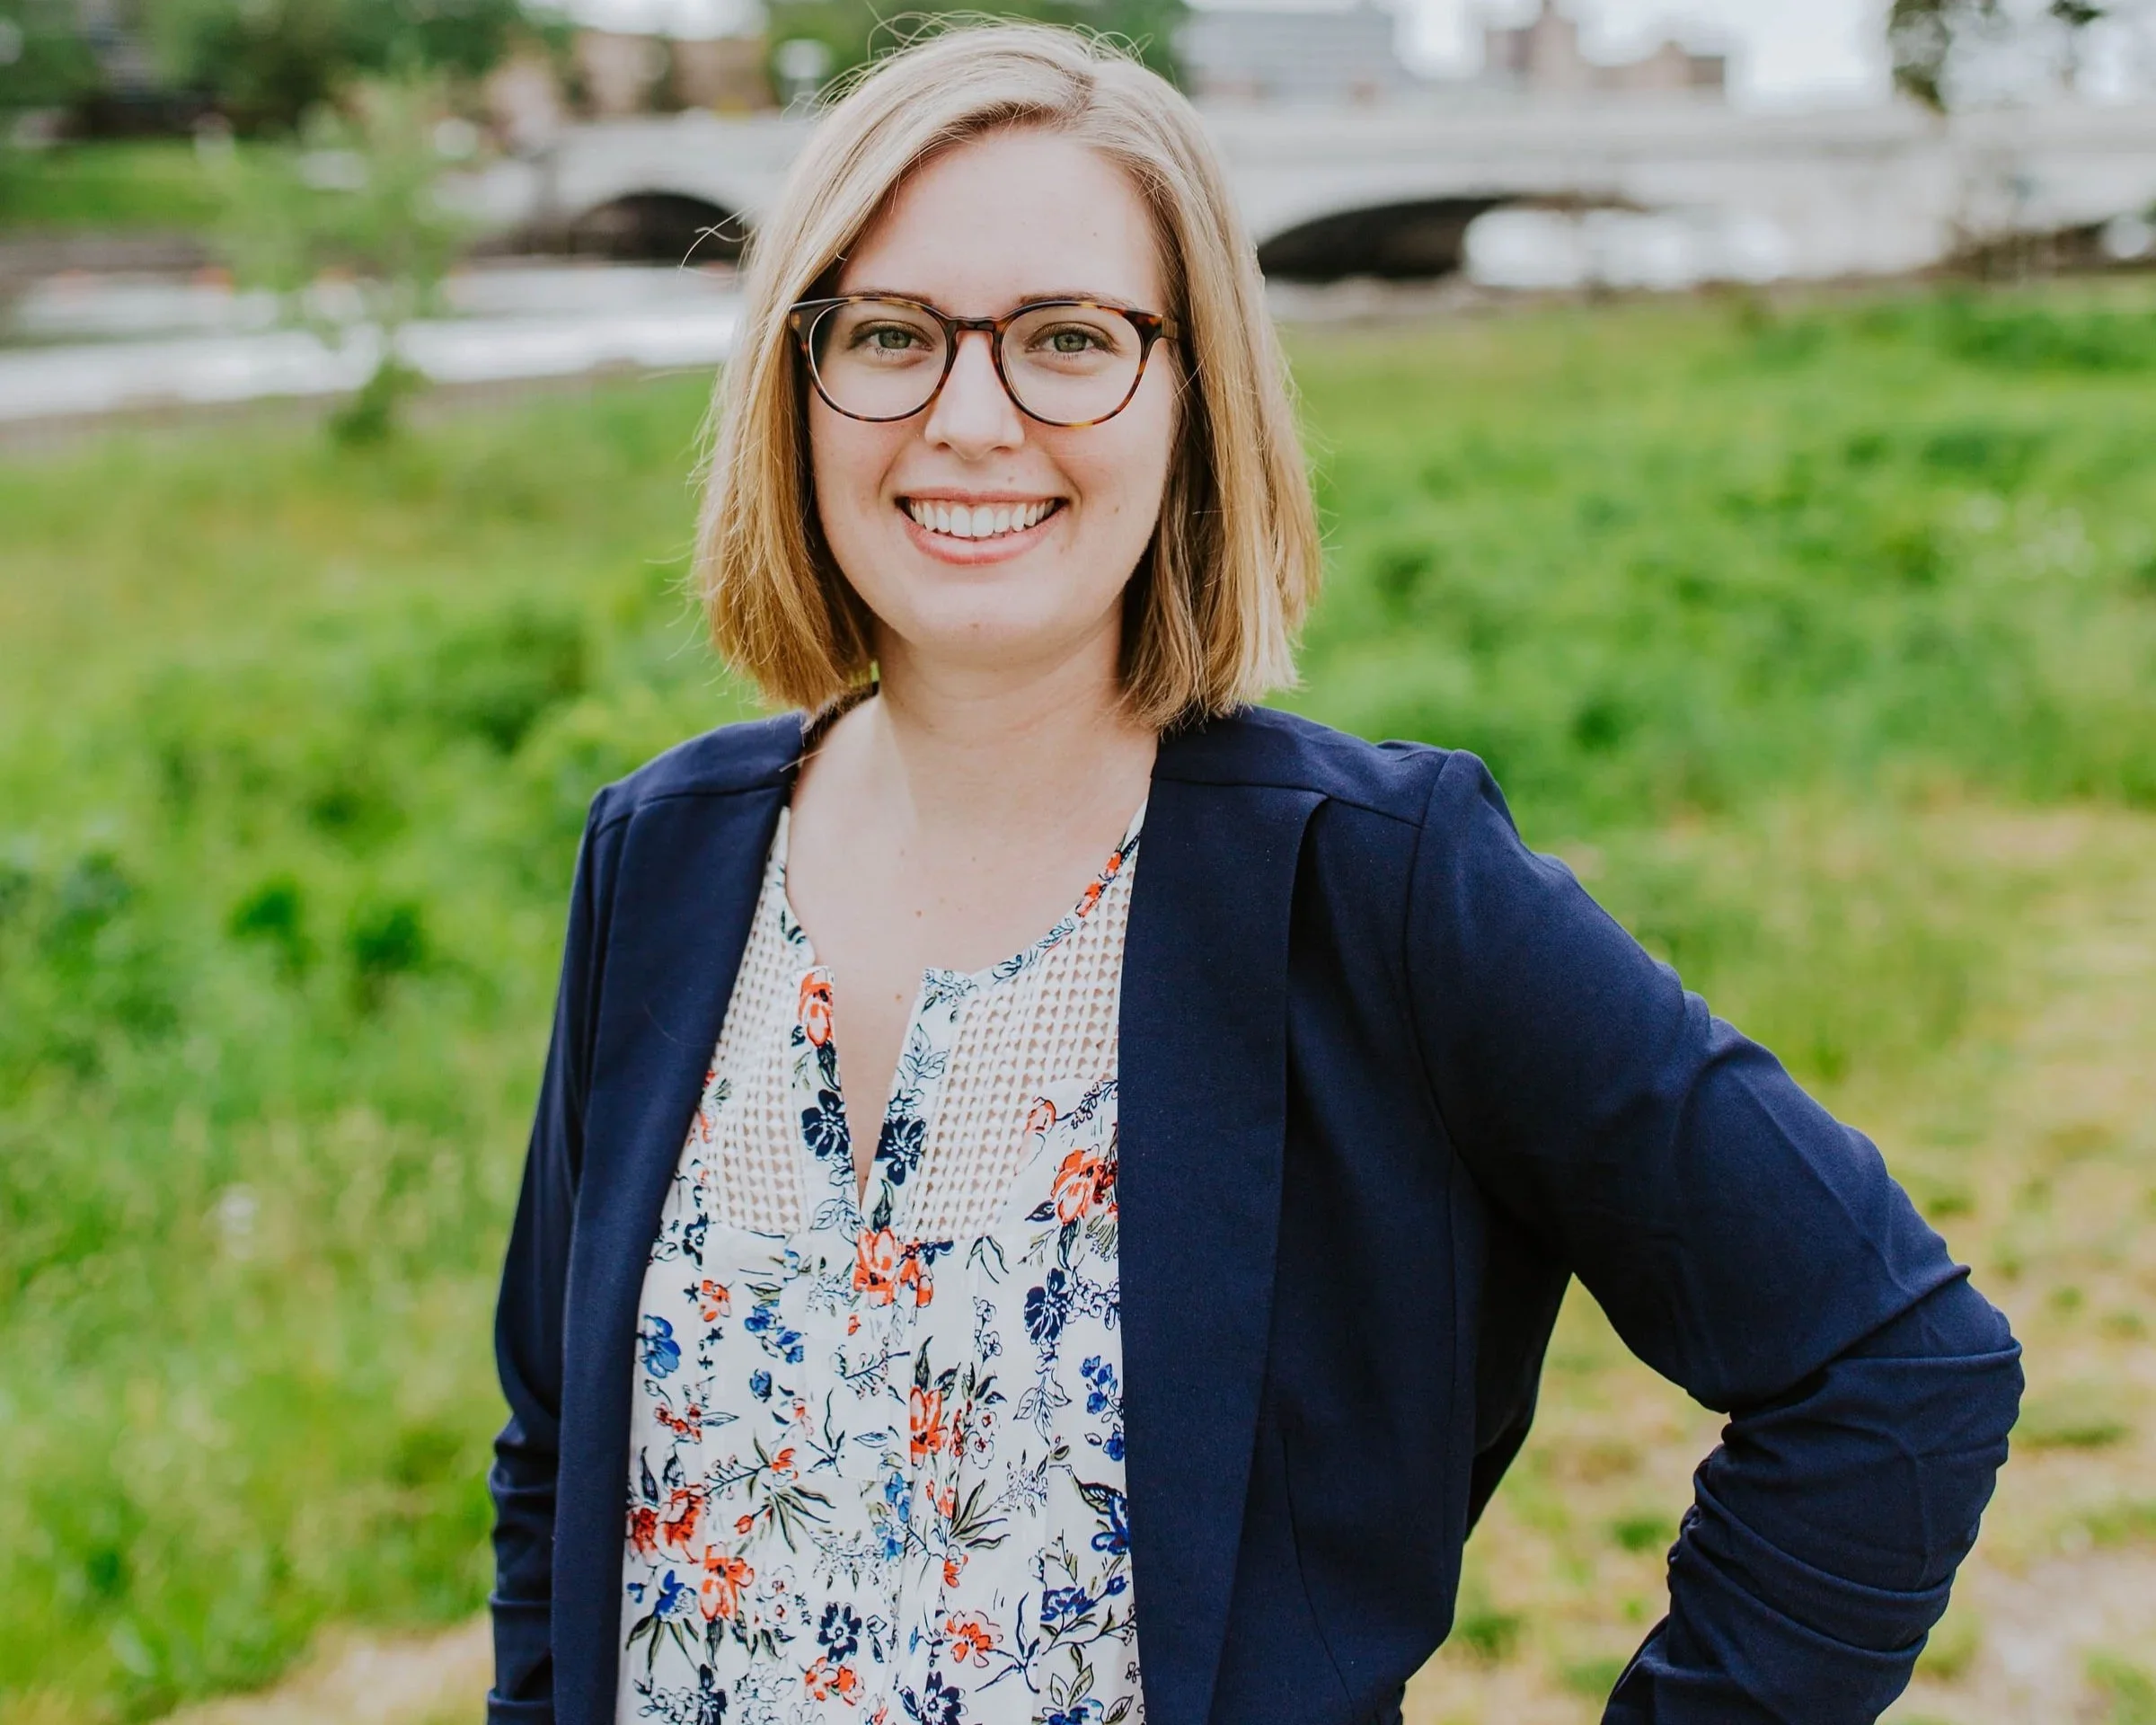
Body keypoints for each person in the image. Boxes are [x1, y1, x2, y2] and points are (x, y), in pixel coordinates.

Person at [488, 25, 2021, 1725]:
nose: (971, 417)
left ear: (1193, 388)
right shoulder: (666, 856)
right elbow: (557, 1460)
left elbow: (1895, 1365)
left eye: (1069, 339)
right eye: (892, 335)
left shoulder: (1381, 884)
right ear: (799, 381)